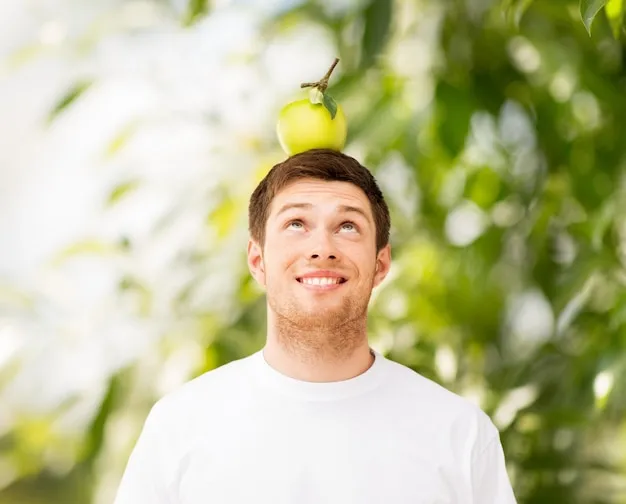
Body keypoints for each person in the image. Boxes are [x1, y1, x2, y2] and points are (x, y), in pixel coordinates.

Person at [114, 148, 517, 503]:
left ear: (380, 265)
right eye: (296, 224)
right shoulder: (179, 425)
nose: (322, 248)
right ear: (258, 261)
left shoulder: (460, 434)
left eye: (347, 226)